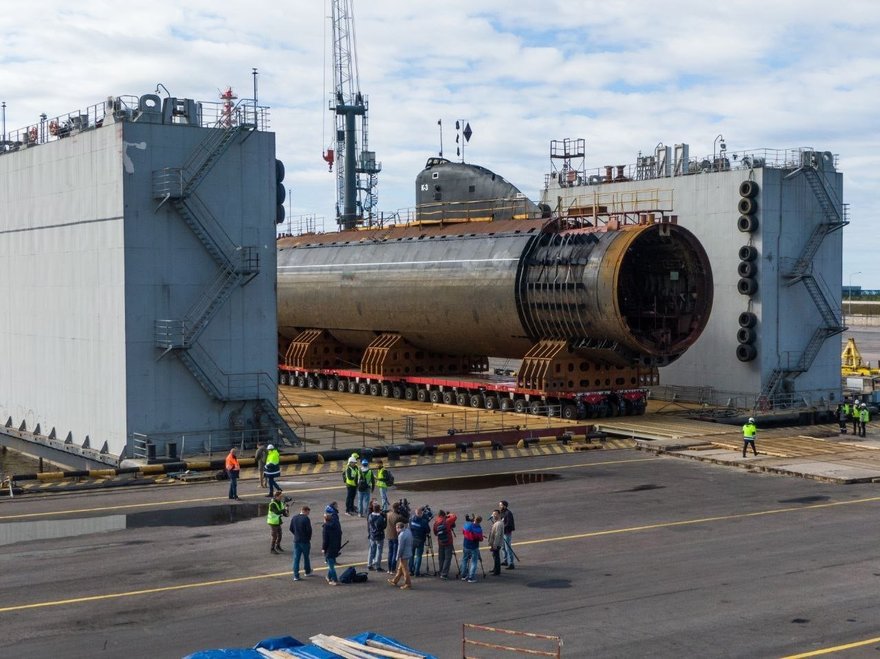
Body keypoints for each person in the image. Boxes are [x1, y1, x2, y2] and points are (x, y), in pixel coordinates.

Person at [433, 509, 458, 580]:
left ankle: (441, 571)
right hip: (448, 542)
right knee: (448, 558)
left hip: (440, 542)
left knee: (441, 557)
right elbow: (455, 517)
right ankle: (444, 574)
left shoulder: (436, 522)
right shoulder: (447, 521)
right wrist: (449, 515)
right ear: (444, 515)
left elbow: (435, 533)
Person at [290, 505, 313, 581]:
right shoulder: (306, 519)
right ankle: (307, 571)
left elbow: (291, 528)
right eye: (308, 512)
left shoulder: (294, 517)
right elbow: (309, 530)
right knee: (306, 557)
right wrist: (308, 538)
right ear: (305, 511)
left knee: (296, 558)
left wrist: (296, 534)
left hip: (296, 541)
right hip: (305, 541)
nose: (308, 514)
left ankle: (296, 576)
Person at [388, 521, 413, 589]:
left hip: (404, 554)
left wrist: (397, 556)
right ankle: (395, 580)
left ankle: (408, 584)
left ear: (399, 528)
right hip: (408, 551)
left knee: (405, 570)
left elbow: (400, 548)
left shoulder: (401, 535)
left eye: (396, 528)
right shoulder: (408, 531)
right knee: (400, 568)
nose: (396, 529)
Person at [460, 515, 484, 583]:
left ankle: (463, 575)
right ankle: (471, 577)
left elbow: (463, 531)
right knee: (474, 562)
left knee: (464, 559)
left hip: (466, 545)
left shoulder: (467, 525)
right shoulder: (478, 529)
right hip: (474, 547)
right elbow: (481, 539)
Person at [386, 501, 407, 573]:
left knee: (390, 552)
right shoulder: (398, 517)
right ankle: (393, 568)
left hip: (389, 535)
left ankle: (389, 569)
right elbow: (406, 520)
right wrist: (402, 511)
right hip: (395, 536)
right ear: (398, 508)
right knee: (395, 553)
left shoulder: (388, 514)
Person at [322, 510, 342, 586]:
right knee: (332, 563)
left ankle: (334, 580)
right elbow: (340, 534)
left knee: (331, 566)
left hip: (329, 548)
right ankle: (328, 576)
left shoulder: (325, 527)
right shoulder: (336, 525)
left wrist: (323, 548)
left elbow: (325, 540)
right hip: (336, 546)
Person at [408, 507, 430, 577]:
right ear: (421, 514)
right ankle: (416, 571)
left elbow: (410, 527)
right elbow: (428, 530)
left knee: (411, 555)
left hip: (412, 539)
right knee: (419, 556)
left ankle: (410, 570)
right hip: (420, 540)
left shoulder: (411, 519)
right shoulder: (424, 522)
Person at [367, 502, 386, 570]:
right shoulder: (380, 518)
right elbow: (383, 526)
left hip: (372, 535)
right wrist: (385, 518)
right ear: (379, 509)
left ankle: (369, 564)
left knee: (371, 550)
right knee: (379, 551)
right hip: (379, 536)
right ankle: (377, 566)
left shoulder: (370, 516)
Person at [499, 500, 516, 569]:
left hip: (507, 532)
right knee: (503, 547)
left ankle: (511, 563)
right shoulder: (502, 513)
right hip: (502, 532)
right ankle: (505, 560)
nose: (500, 506)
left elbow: (508, 523)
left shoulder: (508, 513)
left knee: (508, 548)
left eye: (501, 505)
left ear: (504, 506)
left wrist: (502, 527)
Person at [487, 509, 504, 576]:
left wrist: (495, 545)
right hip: (495, 543)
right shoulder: (496, 522)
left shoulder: (499, 524)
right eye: (493, 514)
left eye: (495, 514)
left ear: (499, 515)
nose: (493, 515)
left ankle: (497, 571)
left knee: (496, 557)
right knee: (495, 556)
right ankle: (495, 568)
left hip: (496, 544)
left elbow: (497, 535)